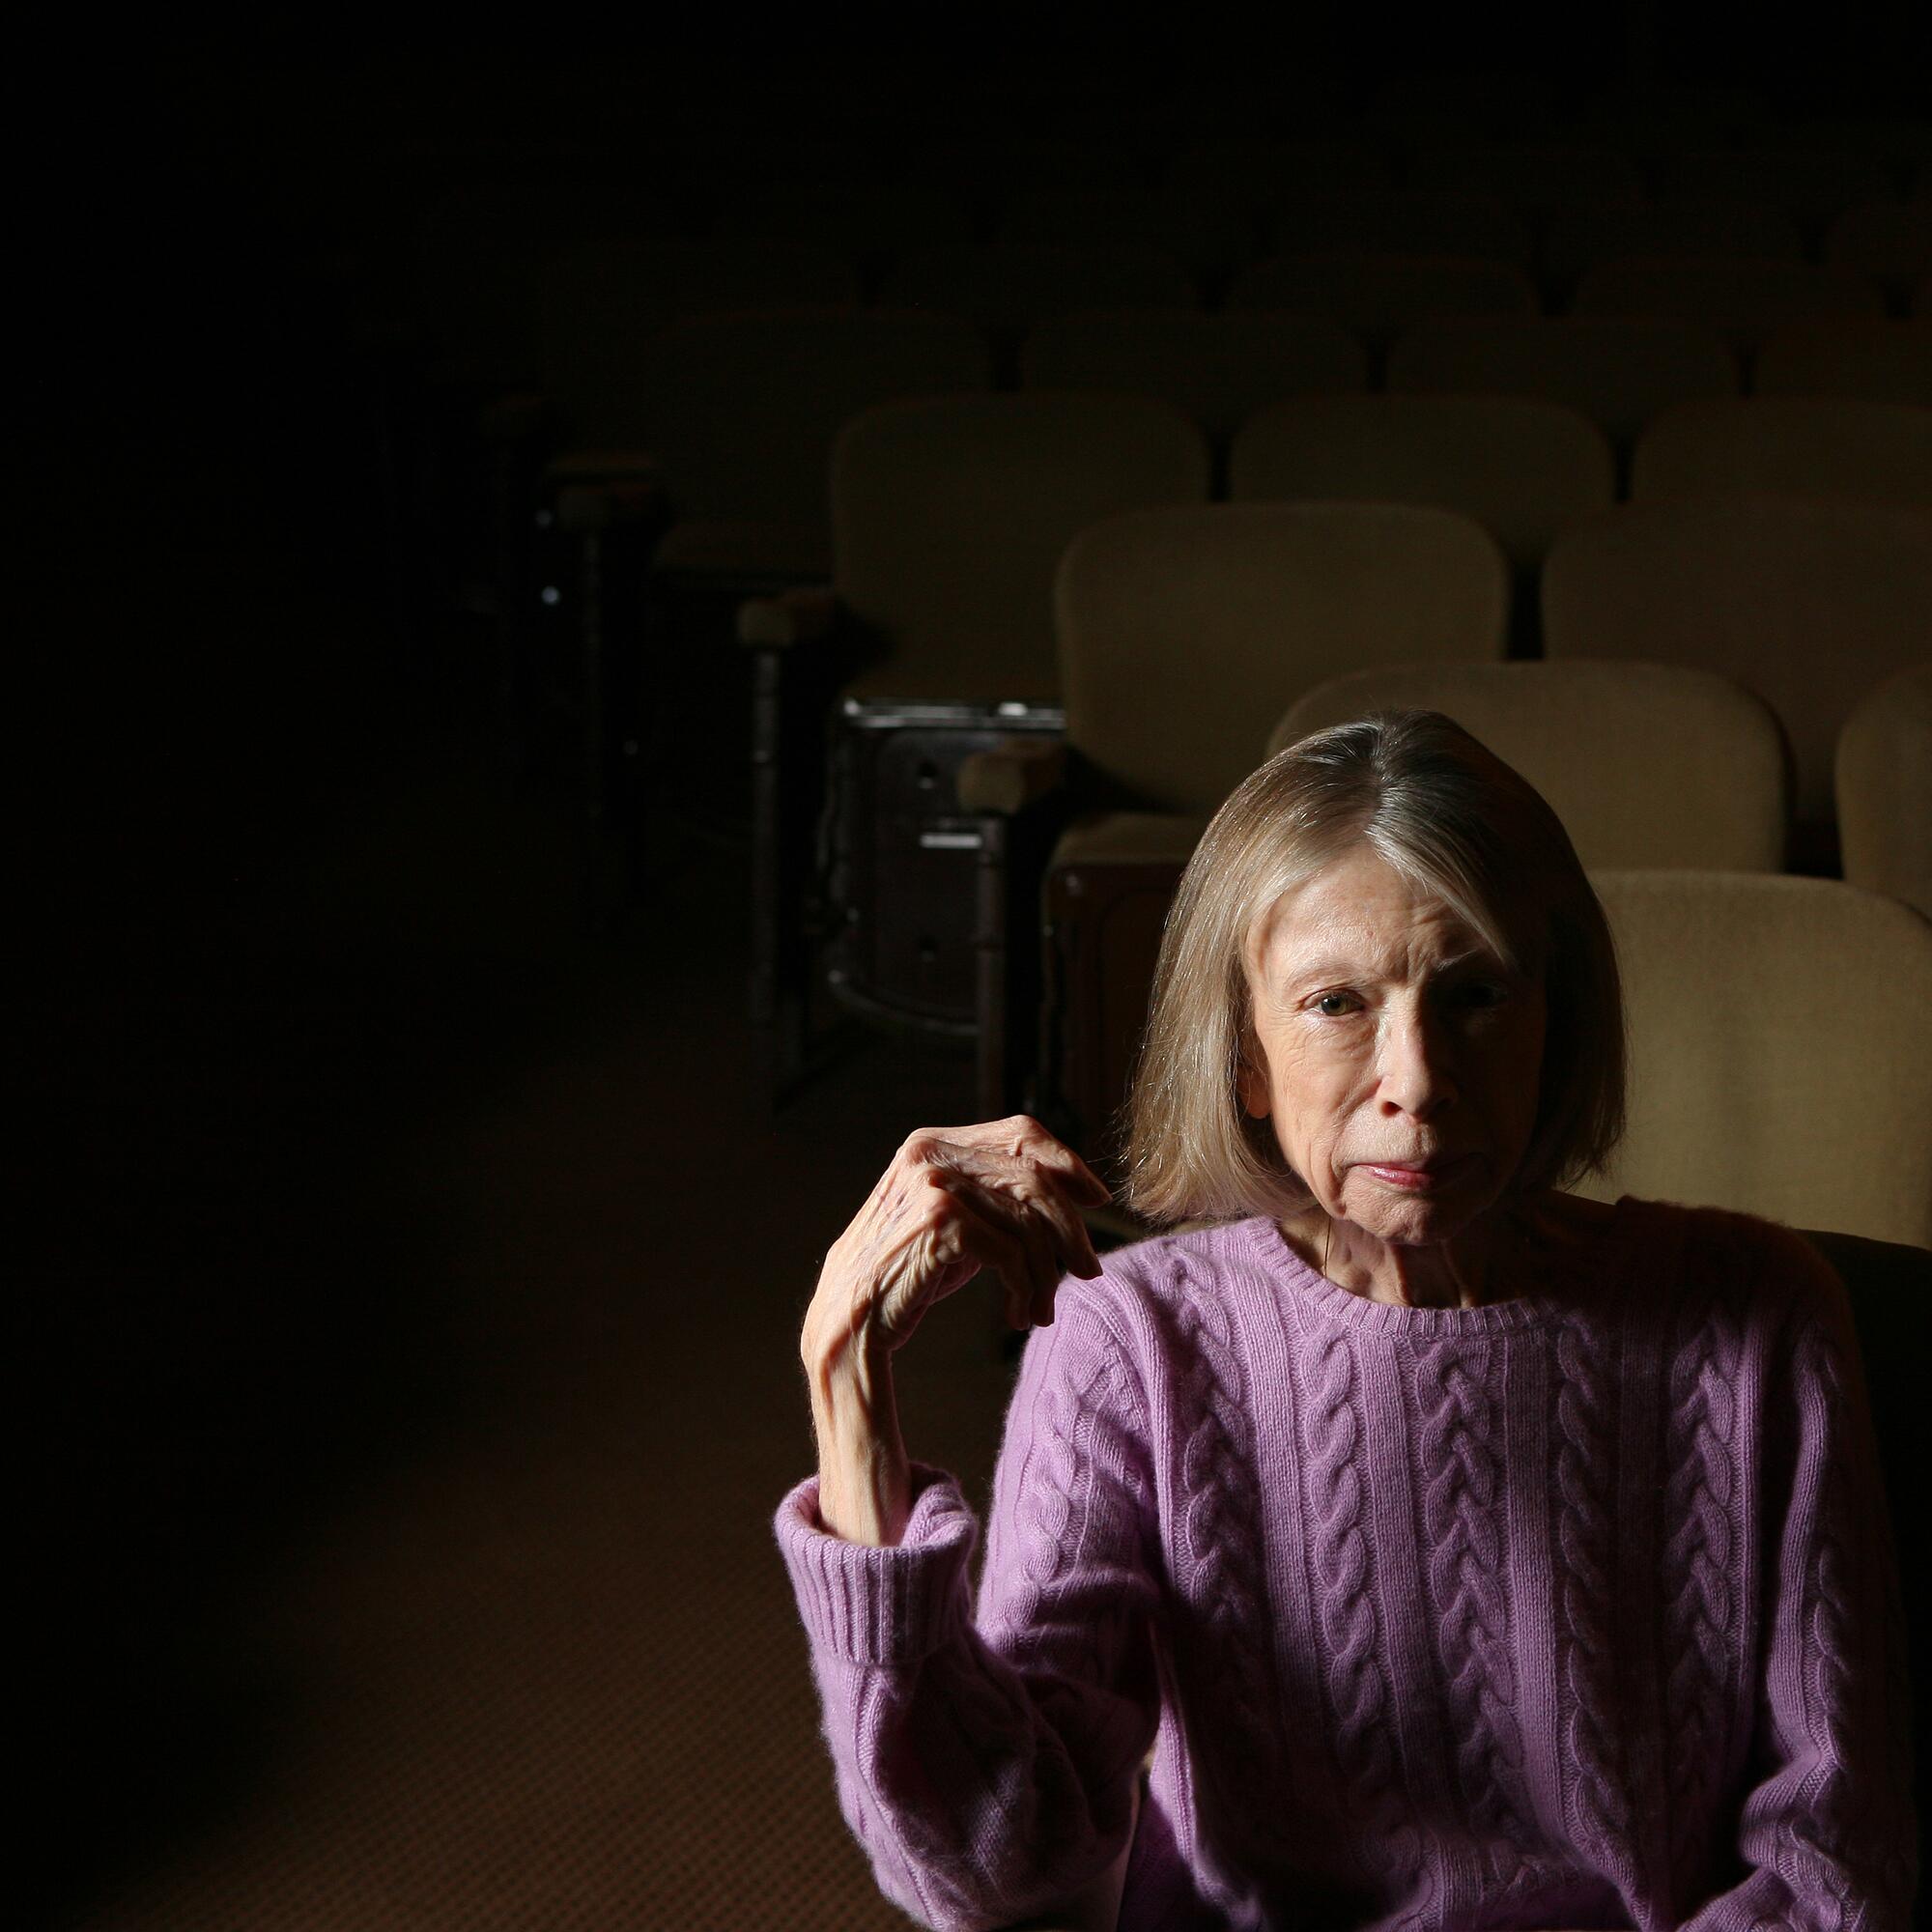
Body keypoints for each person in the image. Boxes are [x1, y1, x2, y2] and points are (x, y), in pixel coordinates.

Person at [775, 711, 1918, 1932]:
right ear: (1246, 1056)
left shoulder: (1758, 1318)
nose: (1415, 1078)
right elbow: (990, 1861)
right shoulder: (1133, 1338)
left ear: (1555, 1021)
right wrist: (846, 1385)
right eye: (1334, 1002)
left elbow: (1830, 1858)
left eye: (1474, 991)